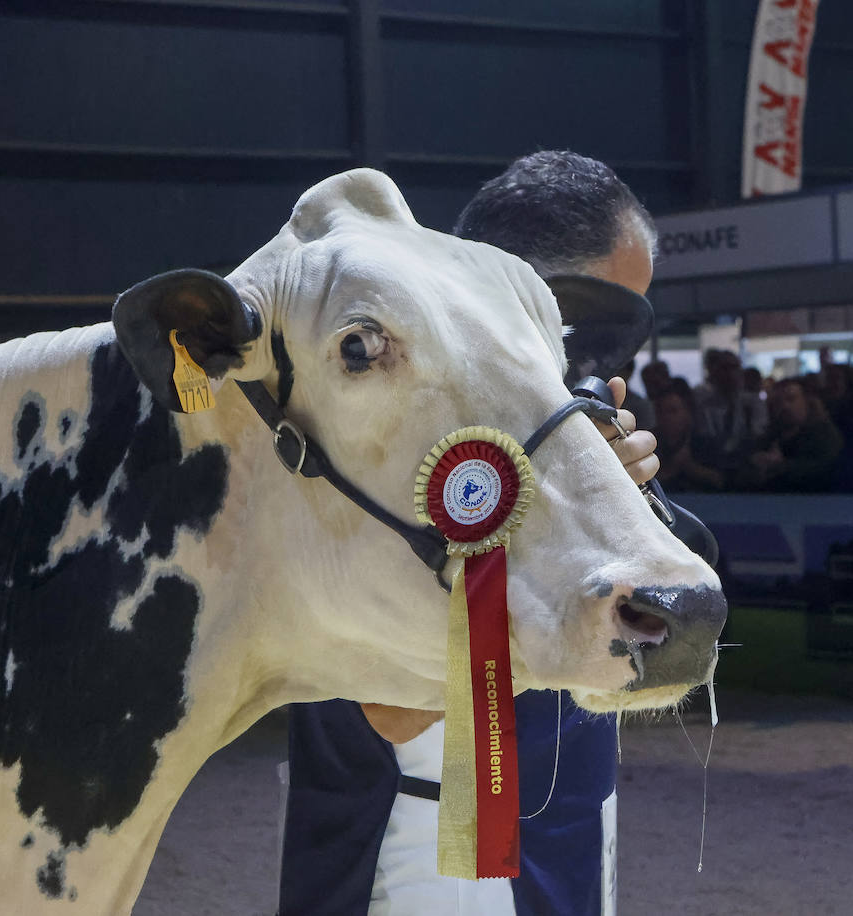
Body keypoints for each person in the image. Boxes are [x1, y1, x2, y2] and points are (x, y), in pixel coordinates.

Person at [278, 151, 666, 915]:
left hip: (569, 830)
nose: (613, 357)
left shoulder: (571, 441)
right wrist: (519, 511)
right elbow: (392, 712)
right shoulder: (397, 447)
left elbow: (657, 641)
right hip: (423, 847)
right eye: (604, 318)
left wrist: (629, 506)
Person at [740, 376, 842, 492]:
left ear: (806, 401)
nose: (785, 406)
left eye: (791, 399)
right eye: (778, 402)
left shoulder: (824, 435)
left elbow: (824, 470)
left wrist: (781, 466)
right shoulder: (770, 437)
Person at [691, 348, 767, 477]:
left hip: (747, 468)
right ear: (714, 373)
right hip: (714, 466)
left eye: (734, 368)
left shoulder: (753, 403)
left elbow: (759, 435)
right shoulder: (705, 407)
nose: (729, 374)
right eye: (724, 368)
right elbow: (704, 439)